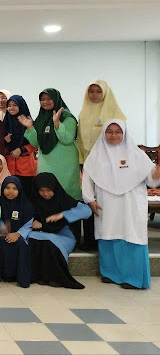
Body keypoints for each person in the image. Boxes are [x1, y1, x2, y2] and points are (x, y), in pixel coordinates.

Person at [82, 120, 160, 289]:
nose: (114, 135)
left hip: (130, 204)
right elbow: (87, 178)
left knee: (131, 235)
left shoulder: (137, 155)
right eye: (109, 132)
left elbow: (151, 181)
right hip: (106, 204)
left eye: (118, 132)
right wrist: (90, 199)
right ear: (104, 133)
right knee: (108, 235)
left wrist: (156, 174)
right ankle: (110, 274)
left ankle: (134, 279)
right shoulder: (96, 155)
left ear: (124, 133)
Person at [20, 89, 84, 242]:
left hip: (65, 164)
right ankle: (48, 231)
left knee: (67, 197)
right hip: (46, 163)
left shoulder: (67, 117)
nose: (45, 102)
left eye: (49, 99)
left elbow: (68, 139)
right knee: (46, 195)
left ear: (56, 99)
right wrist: (30, 128)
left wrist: (57, 124)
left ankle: (73, 237)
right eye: (42, 99)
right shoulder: (41, 118)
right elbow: (36, 143)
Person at [23, 172, 91, 289]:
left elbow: (87, 211)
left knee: (50, 243)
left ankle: (55, 277)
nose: (45, 194)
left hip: (64, 235)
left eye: (49, 190)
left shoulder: (64, 199)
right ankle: (39, 276)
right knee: (32, 239)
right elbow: (25, 216)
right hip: (42, 232)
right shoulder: (34, 200)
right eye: (41, 190)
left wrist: (63, 214)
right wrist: (32, 221)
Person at [77, 80, 127, 165]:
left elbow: (122, 139)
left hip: (110, 157)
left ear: (105, 92)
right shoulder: (83, 113)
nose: (94, 94)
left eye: (99, 91)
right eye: (91, 91)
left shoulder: (115, 113)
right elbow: (80, 139)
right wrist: (80, 161)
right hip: (88, 158)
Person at [0, 176, 34, 288]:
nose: (10, 191)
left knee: (21, 245)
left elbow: (29, 223)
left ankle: (21, 278)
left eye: (14, 188)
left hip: (20, 235)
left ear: (19, 190)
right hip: (2, 234)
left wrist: (18, 234)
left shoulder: (26, 205)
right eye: (7, 188)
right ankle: (4, 275)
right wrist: (4, 231)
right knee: (2, 243)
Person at [3, 95, 37, 194]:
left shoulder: (29, 122)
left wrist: (21, 149)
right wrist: (5, 141)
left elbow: (35, 144)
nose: (11, 108)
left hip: (26, 167)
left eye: (14, 105)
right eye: (9, 105)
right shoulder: (5, 123)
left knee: (26, 194)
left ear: (21, 106)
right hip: (9, 166)